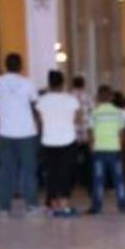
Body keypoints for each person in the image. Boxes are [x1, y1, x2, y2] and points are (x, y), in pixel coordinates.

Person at [0, 53, 41, 216]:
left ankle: (4, 207)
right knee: (28, 170)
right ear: (21, 66)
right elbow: (35, 102)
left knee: (5, 169)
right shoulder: (28, 83)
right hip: (26, 132)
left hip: (4, 132)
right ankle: (31, 204)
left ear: (6, 65)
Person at [36, 70, 81, 217]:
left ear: (49, 83)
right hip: (68, 140)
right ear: (63, 83)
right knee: (66, 173)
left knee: (51, 173)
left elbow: (39, 121)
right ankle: (65, 202)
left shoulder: (42, 100)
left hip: (48, 140)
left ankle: (52, 203)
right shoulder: (71, 100)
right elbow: (77, 119)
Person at [88, 85, 125, 215]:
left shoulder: (95, 113)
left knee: (99, 180)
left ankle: (97, 206)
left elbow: (90, 132)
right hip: (114, 149)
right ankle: (122, 205)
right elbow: (122, 132)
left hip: (99, 149)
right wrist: (120, 146)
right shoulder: (118, 112)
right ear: (111, 97)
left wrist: (91, 146)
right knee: (119, 179)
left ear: (98, 97)